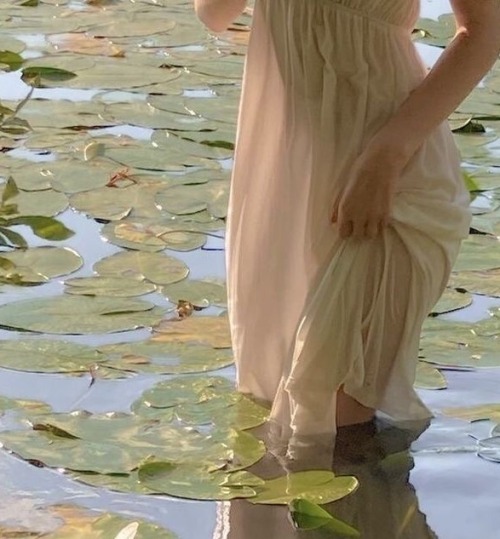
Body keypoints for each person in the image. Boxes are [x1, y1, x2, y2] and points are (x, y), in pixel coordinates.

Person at [194, 0, 500, 456]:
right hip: (287, 179)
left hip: (390, 176)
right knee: (276, 425)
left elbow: (484, 30)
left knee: (333, 420)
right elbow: (213, 14)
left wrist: (386, 157)